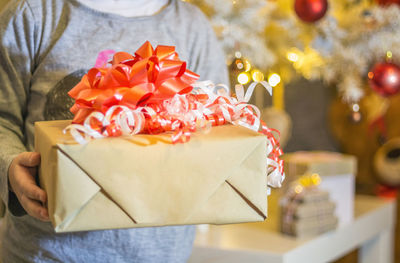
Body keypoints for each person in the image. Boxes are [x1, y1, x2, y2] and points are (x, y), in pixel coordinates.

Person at [0, 0, 228, 262]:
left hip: (162, 253)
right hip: (46, 251)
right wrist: (9, 166)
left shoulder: (191, 26)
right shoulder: (33, 14)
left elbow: (216, 126)